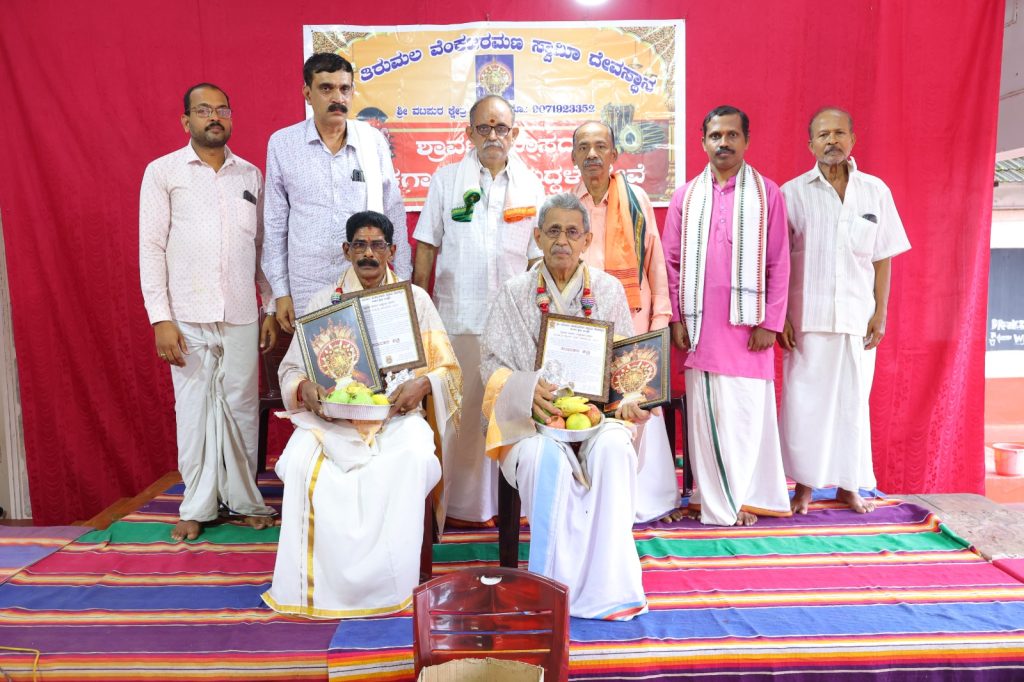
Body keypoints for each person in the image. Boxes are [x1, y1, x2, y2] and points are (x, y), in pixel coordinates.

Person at [264, 211, 461, 618]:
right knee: (299, 462)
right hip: (333, 420)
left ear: (392, 250)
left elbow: (448, 370)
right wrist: (305, 388)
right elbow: (291, 369)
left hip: (396, 418)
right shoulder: (324, 302)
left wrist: (423, 385)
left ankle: (393, 584)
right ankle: (315, 588)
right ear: (346, 250)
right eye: (360, 245)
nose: (368, 254)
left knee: (414, 458)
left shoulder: (415, 301)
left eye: (377, 245)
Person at [480, 192, 648, 620]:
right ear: (537, 237)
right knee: (543, 459)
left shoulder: (607, 290)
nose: (562, 240)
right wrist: (525, 390)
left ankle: (607, 584)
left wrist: (630, 398)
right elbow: (490, 365)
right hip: (531, 421)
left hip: (595, 418)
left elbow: (626, 366)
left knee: (614, 450)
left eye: (573, 232)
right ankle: (552, 585)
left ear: (587, 240)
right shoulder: (514, 293)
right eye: (553, 231)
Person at [139, 83, 277, 542]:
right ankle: (196, 506)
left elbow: (260, 247)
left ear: (231, 117)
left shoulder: (250, 175)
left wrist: (269, 304)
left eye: (222, 110)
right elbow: (151, 247)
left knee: (242, 409)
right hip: (186, 313)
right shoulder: (163, 172)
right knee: (194, 410)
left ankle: (244, 500)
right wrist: (160, 318)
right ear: (186, 121)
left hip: (241, 311)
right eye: (203, 110)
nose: (214, 117)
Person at [412, 95, 545, 523]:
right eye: (483, 128)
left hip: (512, 324)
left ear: (514, 134)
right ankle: (460, 505)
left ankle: (505, 506)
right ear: (469, 133)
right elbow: (426, 247)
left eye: (501, 128)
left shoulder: (532, 185)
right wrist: (417, 313)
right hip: (457, 318)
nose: (493, 136)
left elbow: (537, 261)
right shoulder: (446, 179)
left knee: (507, 413)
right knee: (463, 416)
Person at [663, 105, 791, 527]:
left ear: (746, 141)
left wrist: (770, 322)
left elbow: (779, 261)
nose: (724, 143)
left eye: (732, 135)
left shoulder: (767, 193)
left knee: (746, 418)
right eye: (716, 135)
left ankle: (744, 496)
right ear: (703, 142)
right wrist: (676, 319)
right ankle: (717, 500)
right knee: (707, 419)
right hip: (700, 330)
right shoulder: (686, 196)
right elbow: (671, 263)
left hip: (749, 331)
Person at [779, 107, 911, 514]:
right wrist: (780, 316)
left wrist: (880, 312)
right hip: (807, 318)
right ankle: (803, 486)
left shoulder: (875, 191)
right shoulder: (791, 193)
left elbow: (883, 256)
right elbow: (777, 261)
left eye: (839, 133)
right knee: (805, 406)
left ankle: (848, 486)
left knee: (852, 406)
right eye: (823, 135)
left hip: (857, 317)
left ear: (853, 139)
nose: (831, 141)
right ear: (810, 144)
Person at [571, 120, 678, 522]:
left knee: (638, 409)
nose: (593, 154)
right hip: (585, 326)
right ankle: (595, 497)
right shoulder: (567, 205)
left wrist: (661, 319)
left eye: (601, 146)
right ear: (573, 156)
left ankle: (642, 500)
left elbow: (655, 262)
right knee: (590, 409)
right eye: (584, 147)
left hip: (635, 321)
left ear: (615, 154)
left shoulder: (636, 200)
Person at [263, 53, 410, 331]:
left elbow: (393, 213)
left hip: (365, 276)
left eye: (344, 89)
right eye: (326, 88)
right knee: (319, 354)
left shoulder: (372, 142)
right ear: (307, 93)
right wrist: (280, 293)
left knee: (371, 354)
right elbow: (274, 224)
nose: (337, 98)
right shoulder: (283, 144)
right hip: (307, 283)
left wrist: (401, 282)